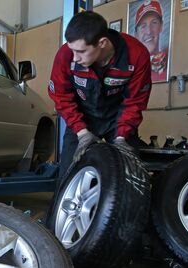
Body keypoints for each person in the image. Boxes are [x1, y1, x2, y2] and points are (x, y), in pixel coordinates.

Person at [48, 11, 152, 177]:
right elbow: (61, 96)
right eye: (72, 50)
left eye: (81, 51)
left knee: (130, 175)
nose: (75, 58)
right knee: (68, 175)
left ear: (102, 43)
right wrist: (82, 133)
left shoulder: (136, 55)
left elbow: (135, 101)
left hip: (118, 118)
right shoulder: (66, 55)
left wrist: (121, 137)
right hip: (81, 117)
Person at [134, 0, 168, 81]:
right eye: (143, 26)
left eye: (154, 23)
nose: (149, 31)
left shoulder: (168, 58)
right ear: (136, 34)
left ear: (161, 26)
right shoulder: (131, 66)